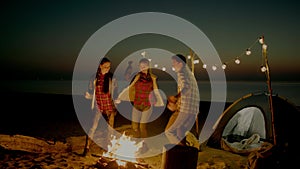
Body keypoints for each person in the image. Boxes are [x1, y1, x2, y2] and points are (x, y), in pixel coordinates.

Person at [117, 58, 164, 138]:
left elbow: (155, 90)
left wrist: (159, 100)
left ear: (148, 66)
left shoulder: (152, 77)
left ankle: (144, 143)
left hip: (147, 105)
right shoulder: (138, 76)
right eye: (141, 66)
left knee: (142, 127)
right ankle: (137, 143)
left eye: (144, 66)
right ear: (139, 67)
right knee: (134, 127)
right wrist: (121, 97)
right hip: (137, 104)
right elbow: (130, 86)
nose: (142, 68)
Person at [83, 57, 118, 155]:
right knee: (92, 127)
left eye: (109, 67)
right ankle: (87, 148)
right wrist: (88, 96)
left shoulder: (112, 78)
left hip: (110, 107)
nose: (108, 68)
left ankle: (108, 150)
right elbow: (91, 94)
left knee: (110, 130)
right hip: (98, 106)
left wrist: (117, 99)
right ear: (100, 66)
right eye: (105, 66)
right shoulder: (94, 78)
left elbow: (115, 93)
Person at [164, 54, 200, 146]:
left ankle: (180, 150)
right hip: (193, 110)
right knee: (180, 132)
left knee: (169, 131)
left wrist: (175, 97)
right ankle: (184, 154)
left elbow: (185, 87)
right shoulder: (189, 74)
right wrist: (176, 103)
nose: (173, 65)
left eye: (174, 63)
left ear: (180, 63)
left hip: (185, 110)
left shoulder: (181, 73)